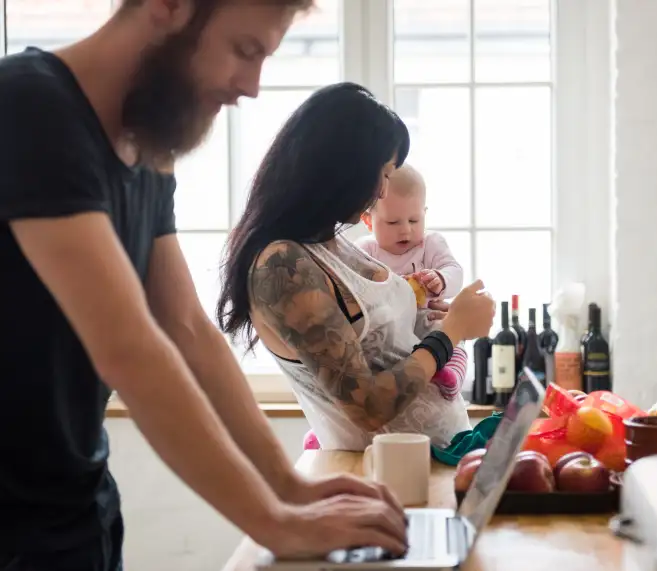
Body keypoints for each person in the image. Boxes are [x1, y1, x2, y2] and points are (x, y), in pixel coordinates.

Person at [0, 1, 408, 569]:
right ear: (169, 7)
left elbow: (188, 329)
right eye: (245, 51)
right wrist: (274, 522)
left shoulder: (147, 152)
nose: (252, 87)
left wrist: (289, 487)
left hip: (76, 507)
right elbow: (131, 349)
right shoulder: (29, 108)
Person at [217, 82, 496, 454]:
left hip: (427, 464)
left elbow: (384, 343)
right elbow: (368, 406)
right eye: (381, 173)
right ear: (343, 170)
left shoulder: (331, 243)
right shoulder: (282, 266)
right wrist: (450, 333)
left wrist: (431, 316)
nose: (382, 191)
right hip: (379, 475)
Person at [357, 163, 467, 400]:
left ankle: (451, 376)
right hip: (387, 332)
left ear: (425, 214)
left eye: (414, 220)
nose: (405, 230)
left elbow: (455, 270)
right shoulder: (365, 251)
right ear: (368, 221)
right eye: (393, 223)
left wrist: (441, 279)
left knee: (449, 334)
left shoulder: (431, 244)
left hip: (426, 321)